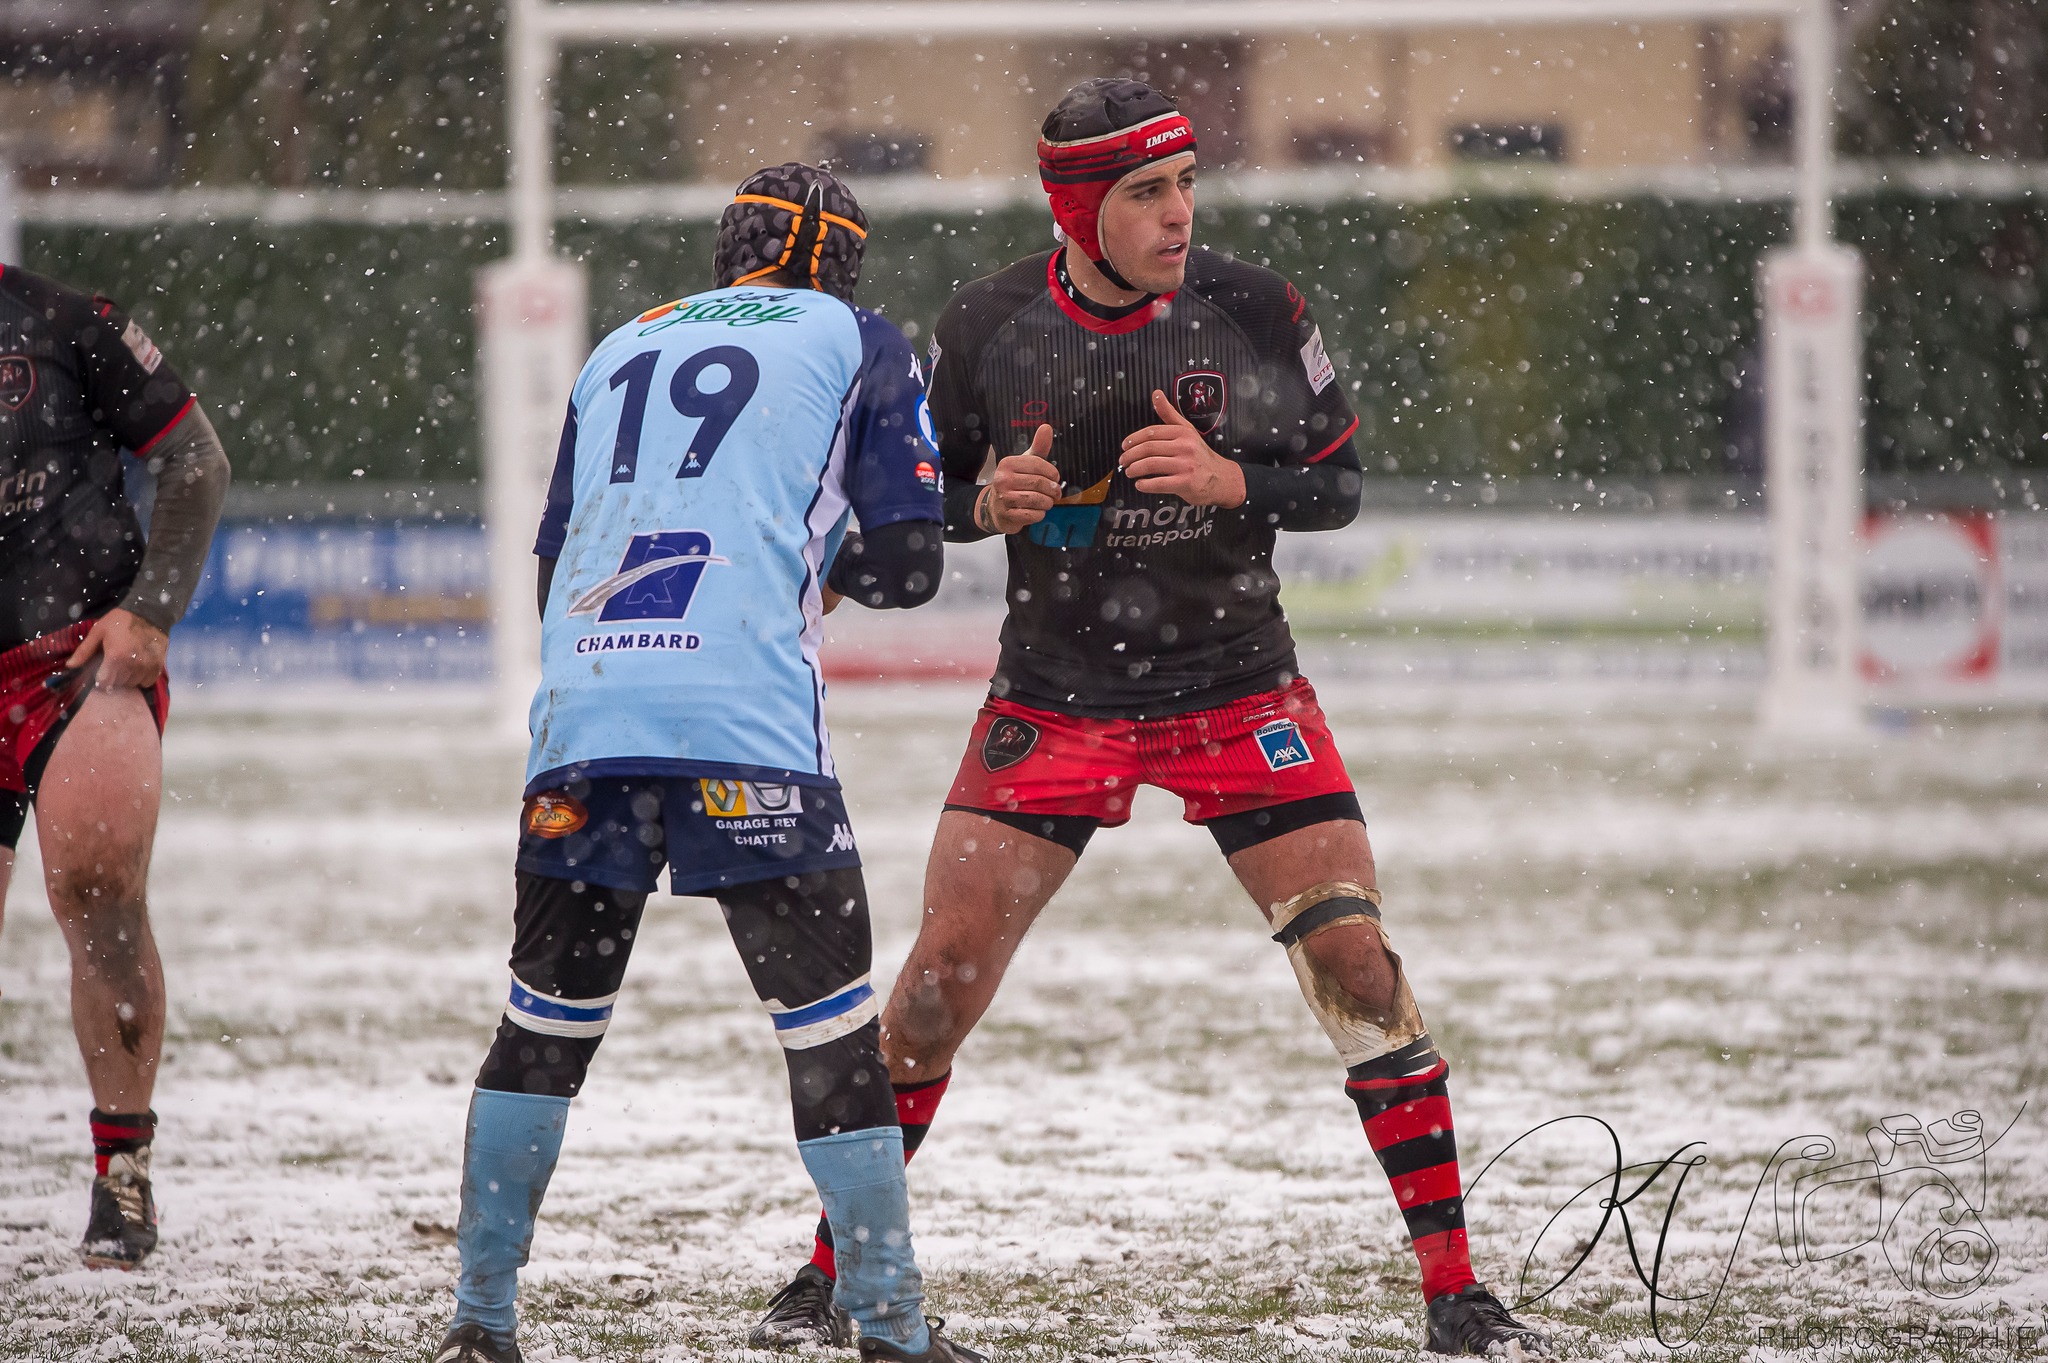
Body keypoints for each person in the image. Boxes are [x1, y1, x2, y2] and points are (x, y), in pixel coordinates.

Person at [749, 82, 1553, 1358]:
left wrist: (1240, 479)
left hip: (1239, 686)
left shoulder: (1257, 309)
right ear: (1077, 209)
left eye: (1185, 183)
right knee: (929, 995)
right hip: (1055, 696)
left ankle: (1456, 1291)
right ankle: (826, 1274)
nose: (1178, 213)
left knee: (1355, 965)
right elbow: (915, 505)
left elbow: (1339, 485)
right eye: (1144, 192)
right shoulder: (985, 326)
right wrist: (980, 504)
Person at [433, 164, 985, 1363]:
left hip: (587, 713)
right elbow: (907, 566)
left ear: (726, 251)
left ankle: (481, 1321)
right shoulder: (857, 337)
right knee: (830, 1032)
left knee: (544, 1026)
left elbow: (553, 556)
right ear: (845, 261)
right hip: (742, 717)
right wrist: (819, 556)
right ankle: (890, 1328)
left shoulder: (627, 338)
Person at [0, 264, 230, 1269]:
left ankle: (121, 1173)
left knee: (100, 897)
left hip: (75, 657)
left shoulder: (60, 319)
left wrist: (152, 607)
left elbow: (196, 462)